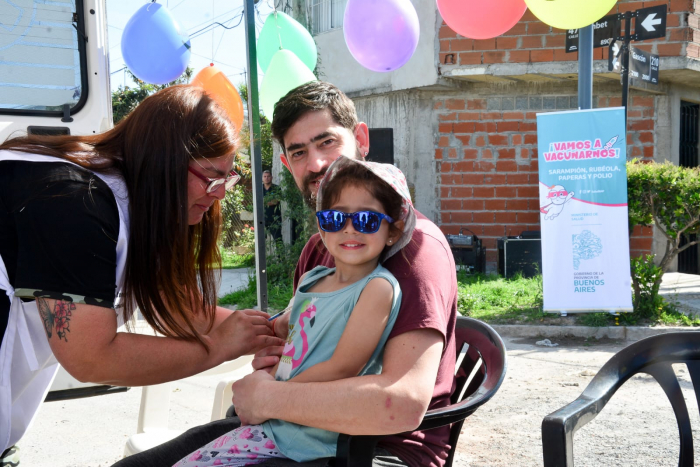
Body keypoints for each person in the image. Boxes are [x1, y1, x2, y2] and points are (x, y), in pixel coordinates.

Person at [113, 80, 457, 467]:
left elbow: (402, 405)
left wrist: (269, 396)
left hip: (374, 452)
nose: (315, 164)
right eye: (298, 152)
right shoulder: (317, 251)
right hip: (288, 428)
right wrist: (271, 354)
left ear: (360, 138)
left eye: (327, 142)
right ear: (285, 164)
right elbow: (296, 343)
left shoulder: (414, 250)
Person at [0, 85, 283, 461]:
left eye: (227, 180)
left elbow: (175, 301)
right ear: (163, 161)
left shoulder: (128, 195)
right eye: (211, 178)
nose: (220, 195)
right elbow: (90, 357)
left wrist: (268, 332)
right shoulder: (74, 203)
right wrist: (216, 349)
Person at [173, 157, 416, 466]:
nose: (349, 230)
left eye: (366, 220)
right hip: (275, 421)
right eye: (335, 219)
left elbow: (344, 367)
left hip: (314, 436)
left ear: (392, 231)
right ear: (321, 225)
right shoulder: (312, 278)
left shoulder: (377, 288)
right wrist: (268, 363)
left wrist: (271, 391)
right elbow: (293, 348)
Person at [262, 170, 282, 242]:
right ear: (262, 178)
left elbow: (276, 201)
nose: (266, 178)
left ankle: (280, 254)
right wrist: (269, 202)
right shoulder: (258, 189)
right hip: (262, 219)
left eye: (268, 176)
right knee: (261, 240)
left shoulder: (277, 188)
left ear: (271, 177)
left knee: (278, 239)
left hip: (275, 219)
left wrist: (263, 202)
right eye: (265, 176)